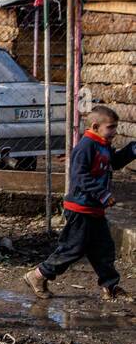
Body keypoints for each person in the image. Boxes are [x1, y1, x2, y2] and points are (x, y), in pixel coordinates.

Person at [25, 106, 136, 301]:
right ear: (95, 126)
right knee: (72, 249)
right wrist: (102, 194)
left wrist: (131, 150)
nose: (115, 131)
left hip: (94, 210)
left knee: (104, 249)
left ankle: (110, 287)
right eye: (111, 127)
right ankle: (38, 275)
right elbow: (80, 176)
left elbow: (114, 162)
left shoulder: (103, 144)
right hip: (80, 209)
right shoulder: (86, 147)